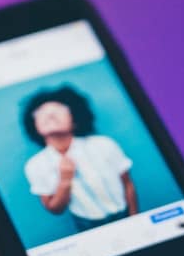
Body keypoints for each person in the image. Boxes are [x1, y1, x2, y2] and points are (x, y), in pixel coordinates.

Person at [22, 85, 139, 231]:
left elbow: (128, 185)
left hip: (124, 213)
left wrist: (135, 219)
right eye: (41, 112)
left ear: (75, 118)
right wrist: (65, 180)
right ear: (34, 125)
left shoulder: (103, 144)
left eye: (59, 109)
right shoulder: (35, 165)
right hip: (86, 225)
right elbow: (55, 209)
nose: (50, 115)